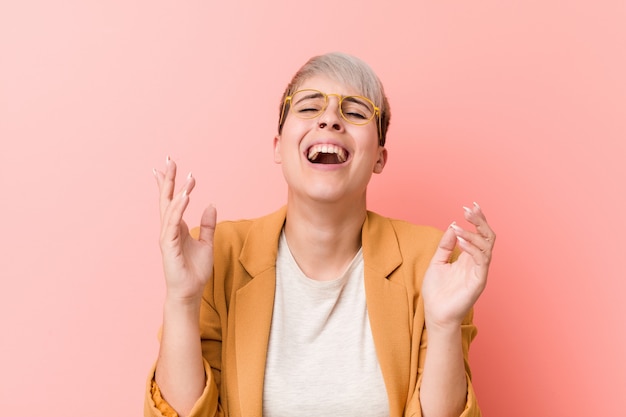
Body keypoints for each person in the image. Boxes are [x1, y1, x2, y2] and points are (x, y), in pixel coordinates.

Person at [145, 52, 495, 417]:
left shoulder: (431, 261)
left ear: (379, 157)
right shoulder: (219, 254)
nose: (330, 119)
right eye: (310, 108)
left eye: (356, 112)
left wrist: (443, 325)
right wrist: (182, 300)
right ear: (278, 146)